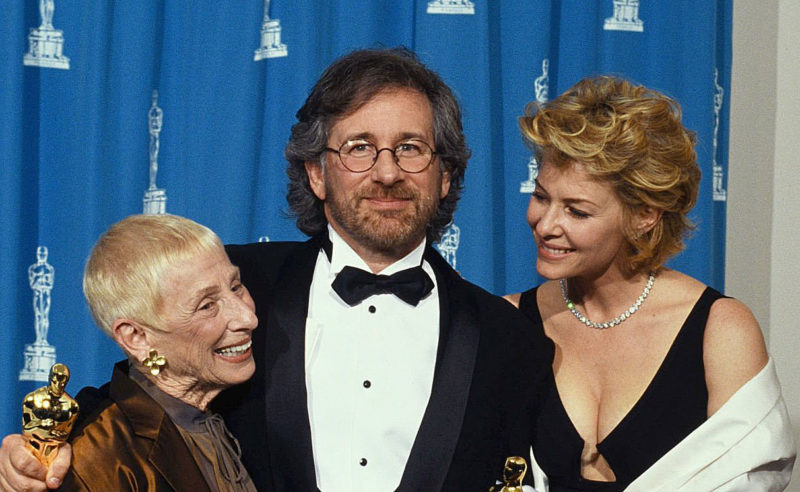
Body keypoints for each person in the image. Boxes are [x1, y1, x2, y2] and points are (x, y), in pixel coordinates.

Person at [0, 48, 551, 491]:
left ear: (446, 176)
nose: (387, 173)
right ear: (316, 173)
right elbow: (145, 394)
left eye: (410, 148)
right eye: (359, 148)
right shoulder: (237, 287)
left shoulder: (508, 339)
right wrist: (41, 448)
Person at [506, 76, 795, 491]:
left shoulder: (720, 332)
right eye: (540, 196)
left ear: (645, 216)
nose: (546, 225)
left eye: (577, 211)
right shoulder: (510, 322)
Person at [4, 214, 260, 491]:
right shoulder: (98, 461)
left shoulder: (216, 408)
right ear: (137, 337)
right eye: (207, 306)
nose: (248, 317)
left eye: (236, 287)